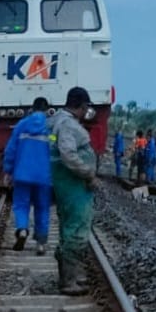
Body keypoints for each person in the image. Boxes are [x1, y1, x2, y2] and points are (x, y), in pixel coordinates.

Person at [49, 87, 98, 295]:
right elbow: (68, 154)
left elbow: (55, 148)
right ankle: (70, 280)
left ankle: (73, 275)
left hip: (65, 183)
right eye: (86, 107)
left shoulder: (56, 121)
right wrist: (88, 173)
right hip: (73, 184)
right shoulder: (68, 125)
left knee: (69, 228)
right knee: (76, 230)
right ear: (82, 106)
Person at [2, 98, 53, 255]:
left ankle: (22, 229)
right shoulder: (50, 128)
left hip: (22, 174)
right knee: (42, 207)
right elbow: (55, 147)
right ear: (46, 110)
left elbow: (11, 149)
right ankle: (41, 243)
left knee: (21, 205)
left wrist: (8, 171)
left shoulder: (21, 125)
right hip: (44, 175)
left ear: (32, 109)